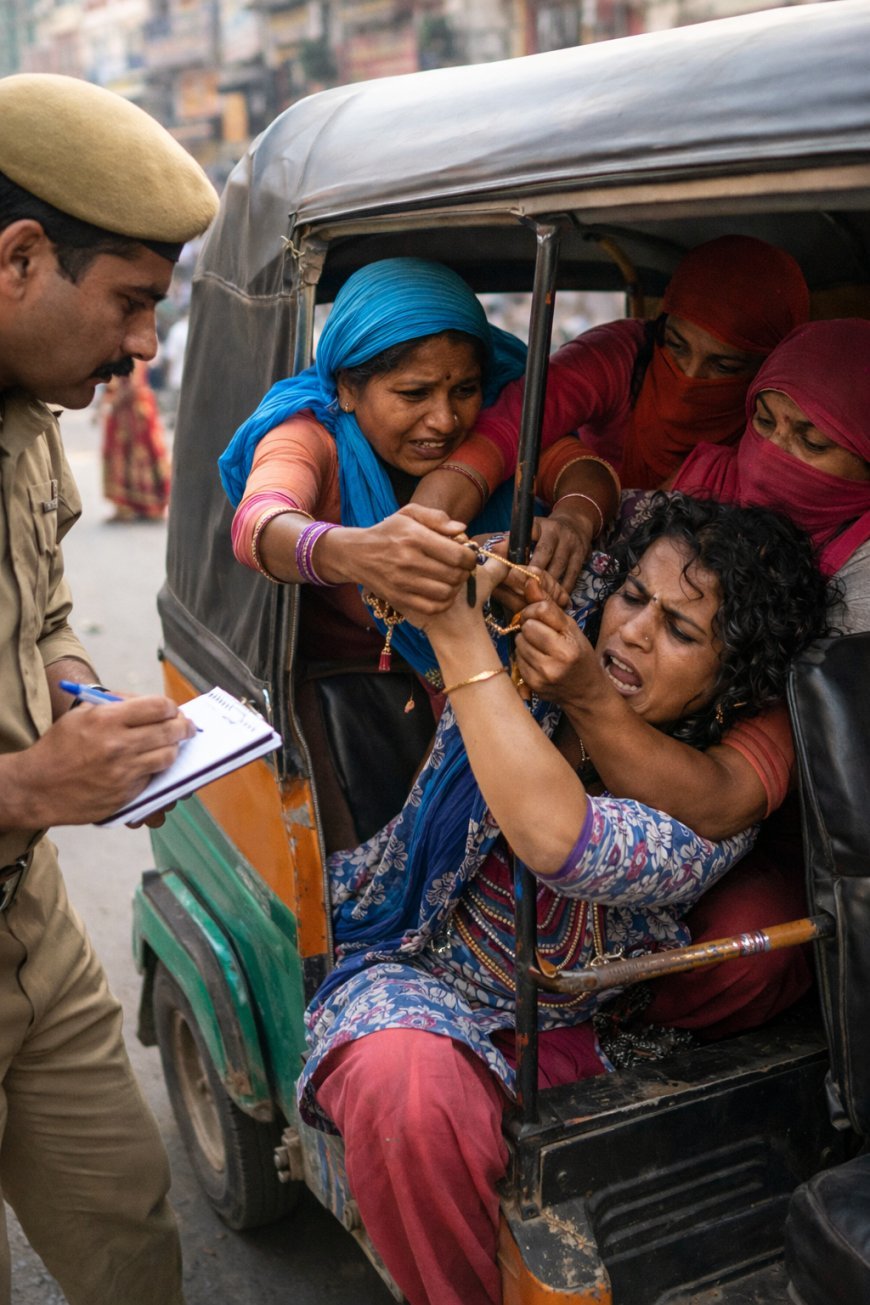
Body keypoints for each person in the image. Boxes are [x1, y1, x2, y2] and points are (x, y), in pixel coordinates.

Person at [297, 494, 833, 1305]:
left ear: (732, 685)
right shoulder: (577, 628)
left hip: (577, 1023)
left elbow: (558, 836)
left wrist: (462, 641)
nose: (633, 633)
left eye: (682, 631)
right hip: (419, 962)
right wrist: (478, 557)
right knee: (402, 1082)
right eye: (633, 597)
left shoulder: (702, 816)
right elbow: (519, 553)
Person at [0, 72, 218, 1303]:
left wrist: (82, 697)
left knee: (130, 1237)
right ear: (23, 256)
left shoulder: (31, 419)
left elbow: (43, 614)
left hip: (31, 922)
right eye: (131, 304)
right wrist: (32, 783)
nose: (146, 349)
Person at [533, 318, 870, 1037]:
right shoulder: (704, 485)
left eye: (814, 443)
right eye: (768, 421)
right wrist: (576, 503)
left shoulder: (857, 589)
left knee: (752, 941)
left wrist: (590, 696)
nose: (777, 454)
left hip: (793, 825)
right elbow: (594, 503)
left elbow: (725, 798)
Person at [412, 235, 810, 587]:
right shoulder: (626, 355)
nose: (689, 377)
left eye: (724, 367)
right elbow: (513, 424)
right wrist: (423, 534)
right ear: (660, 327)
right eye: (676, 346)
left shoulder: (783, 423)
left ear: (769, 368)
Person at [219, 256, 529, 684]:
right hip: (361, 687)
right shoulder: (308, 435)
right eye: (414, 393)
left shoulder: (497, 414)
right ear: (347, 387)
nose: (445, 420)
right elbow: (258, 521)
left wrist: (571, 518)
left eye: (464, 390)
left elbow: (571, 465)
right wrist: (358, 553)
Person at [100, 357, 171, 521]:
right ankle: (127, 504)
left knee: (139, 454)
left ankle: (148, 504)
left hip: (135, 410)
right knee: (123, 454)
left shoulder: (135, 349)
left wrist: (115, 400)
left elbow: (134, 381)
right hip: (127, 408)